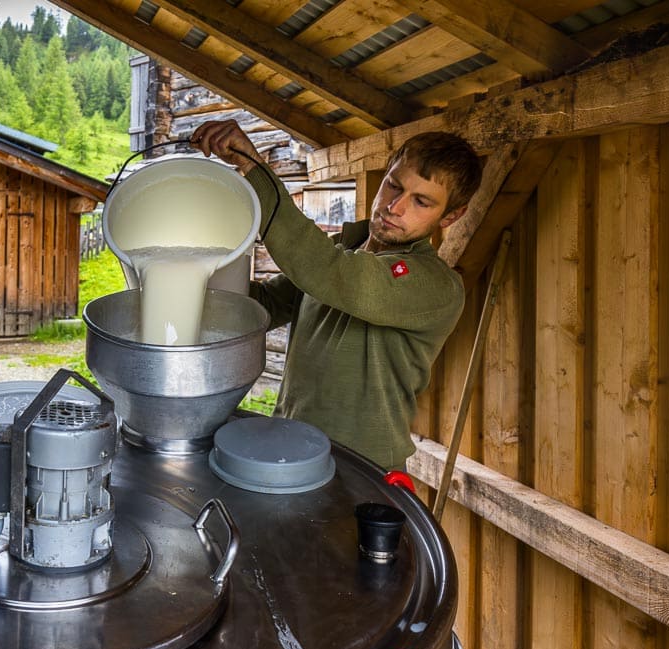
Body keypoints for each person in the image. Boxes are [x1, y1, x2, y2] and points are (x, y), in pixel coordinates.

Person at [191, 120, 483, 470]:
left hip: (360, 469)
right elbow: (263, 305)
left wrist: (254, 169)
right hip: (290, 446)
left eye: (421, 202)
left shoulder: (435, 285)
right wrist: (190, 268)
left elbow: (327, 271)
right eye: (394, 186)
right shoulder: (345, 249)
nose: (396, 207)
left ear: (451, 216)